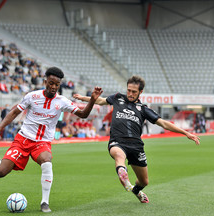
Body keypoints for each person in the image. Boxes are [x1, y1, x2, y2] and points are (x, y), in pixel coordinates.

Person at [0, 67, 103, 213]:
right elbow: (14, 112)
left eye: (56, 85)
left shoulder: (62, 101)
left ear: (59, 85)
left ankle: (44, 202)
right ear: (45, 81)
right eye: (51, 83)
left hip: (42, 143)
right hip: (23, 140)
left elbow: (83, 114)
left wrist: (92, 100)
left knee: (47, 161)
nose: (53, 87)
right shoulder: (32, 96)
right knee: (1, 173)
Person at [73, 75, 200, 203]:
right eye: (129, 90)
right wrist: (83, 98)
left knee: (144, 181)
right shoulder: (117, 98)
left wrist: (186, 133)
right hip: (117, 141)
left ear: (140, 92)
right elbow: (100, 100)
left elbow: (164, 123)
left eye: (134, 91)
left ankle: (136, 190)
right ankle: (122, 172)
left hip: (136, 146)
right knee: (118, 155)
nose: (130, 93)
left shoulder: (143, 109)